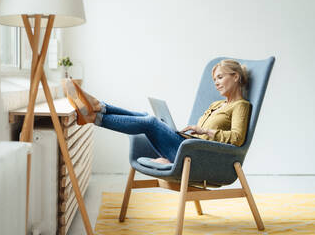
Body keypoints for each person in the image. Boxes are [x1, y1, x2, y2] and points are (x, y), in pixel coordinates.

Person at [64, 59, 250, 165]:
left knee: (151, 122)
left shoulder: (240, 105)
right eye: (215, 79)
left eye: (220, 77)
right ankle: (98, 107)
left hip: (198, 155)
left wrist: (205, 131)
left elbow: (237, 138)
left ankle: (95, 115)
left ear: (235, 77)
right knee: (146, 117)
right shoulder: (217, 104)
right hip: (189, 145)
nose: (216, 83)